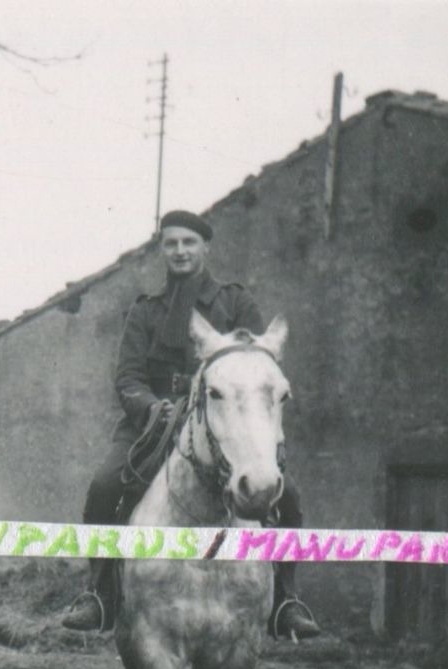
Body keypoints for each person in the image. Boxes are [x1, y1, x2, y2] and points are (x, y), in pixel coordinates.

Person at [60, 209, 322, 640]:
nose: (180, 251)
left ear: (205, 248)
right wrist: (152, 408)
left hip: (224, 420)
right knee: (106, 485)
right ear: (162, 250)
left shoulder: (235, 303)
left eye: (189, 243)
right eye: (171, 243)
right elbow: (127, 377)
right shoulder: (145, 313)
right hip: (153, 422)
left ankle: (285, 600)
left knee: (286, 495)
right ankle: (99, 593)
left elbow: (258, 367)